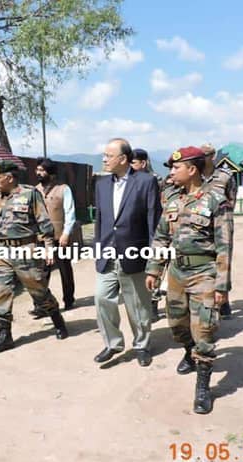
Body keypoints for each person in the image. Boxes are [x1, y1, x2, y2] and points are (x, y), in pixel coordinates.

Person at [145, 146, 233, 414]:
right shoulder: (173, 200)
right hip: (177, 273)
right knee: (177, 326)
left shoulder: (215, 201)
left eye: (176, 168)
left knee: (204, 329)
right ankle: (189, 351)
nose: (171, 172)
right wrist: (154, 269)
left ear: (192, 169)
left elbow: (225, 246)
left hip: (204, 273)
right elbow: (161, 237)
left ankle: (203, 387)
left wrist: (222, 285)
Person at [0, 160, 68, 354]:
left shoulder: (29, 194)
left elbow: (44, 222)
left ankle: (57, 319)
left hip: (26, 250)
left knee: (39, 291)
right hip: (3, 252)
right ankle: (4, 336)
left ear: (9, 178)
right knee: (1, 291)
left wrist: (48, 248)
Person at [93, 138, 161, 367]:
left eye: (108, 156)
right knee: (102, 298)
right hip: (108, 254)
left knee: (138, 305)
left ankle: (142, 345)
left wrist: (154, 261)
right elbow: (100, 221)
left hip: (134, 254)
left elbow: (153, 223)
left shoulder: (146, 182)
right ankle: (113, 344)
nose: (104, 159)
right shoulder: (101, 184)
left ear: (123, 159)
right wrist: (98, 250)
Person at [29, 157, 76, 314]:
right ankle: (41, 305)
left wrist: (66, 234)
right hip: (41, 239)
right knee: (41, 273)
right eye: (37, 170)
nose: (38, 173)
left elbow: (70, 213)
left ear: (52, 174)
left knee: (65, 270)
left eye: (42, 170)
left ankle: (68, 299)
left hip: (59, 238)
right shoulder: (34, 191)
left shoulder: (63, 189)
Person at [200, 143, 237, 319]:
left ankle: (224, 300)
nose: (202, 158)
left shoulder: (225, 177)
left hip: (221, 225)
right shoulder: (194, 175)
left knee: (222, 261)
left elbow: (231, 200)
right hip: (199, 226)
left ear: (213, 156)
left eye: (205, 155)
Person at [131, 148, 164, 322]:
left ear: (143, 163)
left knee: (154, 266)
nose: (131, 166)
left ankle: (153, 304)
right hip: (136, 231)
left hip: (155, 229)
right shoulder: (128, 181)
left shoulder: (156, 180)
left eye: (134, 163)